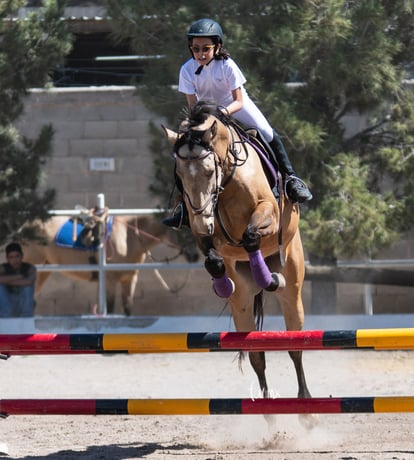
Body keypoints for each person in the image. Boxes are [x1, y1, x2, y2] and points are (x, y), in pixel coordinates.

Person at [163, 18, 312, 229]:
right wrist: (191, 126)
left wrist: (223, 112)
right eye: (196, 49)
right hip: (207, 113)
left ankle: (291, 179)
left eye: (206, 48)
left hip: (234, 107)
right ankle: (183, 208)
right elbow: (193, 106)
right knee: (185, 151)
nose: (201, 53)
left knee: (267, 132)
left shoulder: (227, 65)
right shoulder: (186, 70)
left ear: (218, 46)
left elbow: (239, 101)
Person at [0, 242, 36, 317]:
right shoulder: (3, 268)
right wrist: (19, 276)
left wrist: (5, 281)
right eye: (11, 257)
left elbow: (29, 282)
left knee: (28, 287)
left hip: (22, 302)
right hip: (6, 304)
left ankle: (27, 318)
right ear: (7, 258)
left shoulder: (29, 268)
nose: (15, 260)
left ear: (22, 256)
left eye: (17, 256)